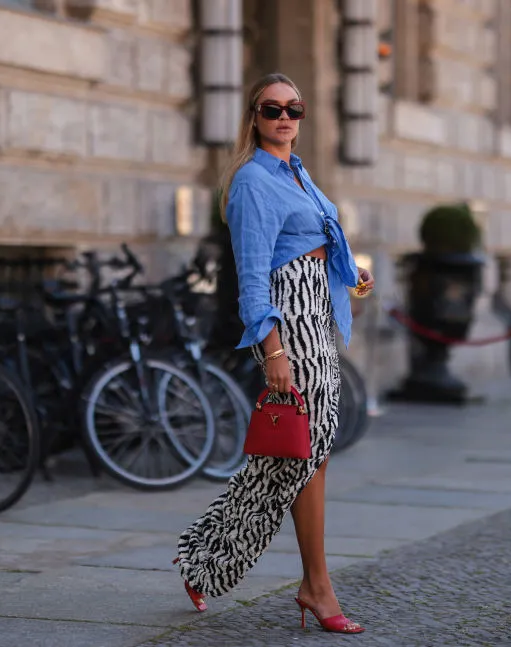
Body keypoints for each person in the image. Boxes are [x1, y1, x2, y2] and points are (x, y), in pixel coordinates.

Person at [173, 72, 374, 635]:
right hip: (290, 323)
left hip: (318, 314)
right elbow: (254, 277)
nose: (285, 117)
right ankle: (316, 586)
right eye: (272, 109)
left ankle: (207, 560)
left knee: (300, 454)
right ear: (254, 117)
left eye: (295, 108)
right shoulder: (252, 182)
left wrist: (349, 276)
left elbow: (314, 243)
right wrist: (274, 349)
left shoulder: (298, 172)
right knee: (305, 450)